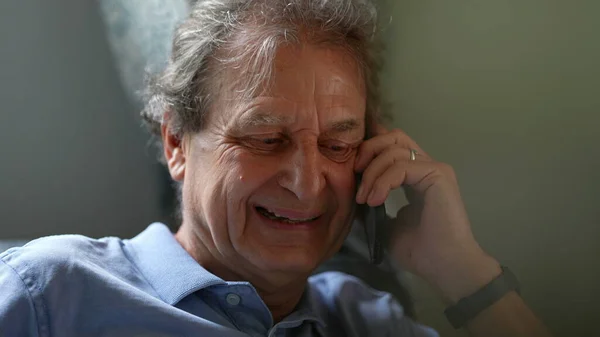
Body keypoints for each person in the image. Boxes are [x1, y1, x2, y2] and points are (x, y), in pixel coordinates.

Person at [0, 1, 552, 336]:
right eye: (266, 137)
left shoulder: (366, 321)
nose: (308, 182)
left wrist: (462, 271)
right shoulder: (49, 292)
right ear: (176, 142)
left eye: (339, 144)